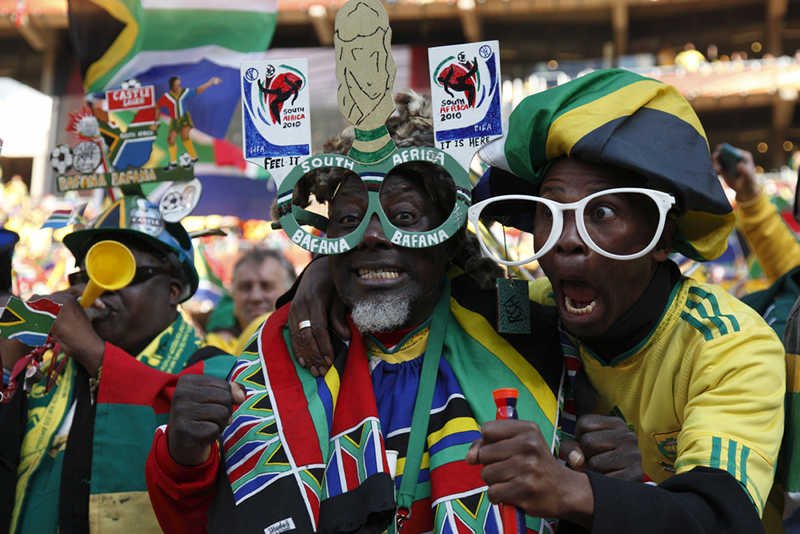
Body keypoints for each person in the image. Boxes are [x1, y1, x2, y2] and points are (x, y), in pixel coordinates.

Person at [290, 69, 786, 532]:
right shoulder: (529, 308)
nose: (567, 240)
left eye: (602, 212)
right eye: (550, 211)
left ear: (661, 234)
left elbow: (724, 518)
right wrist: (323, 273)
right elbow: (424, 266)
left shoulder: (730, 348)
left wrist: (577, 489)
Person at [143, 81, 641, 531]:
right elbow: (195, 517)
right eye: (348, 221)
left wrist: (611, 479)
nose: (372, 236)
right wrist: (184, 455)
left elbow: (591, 493)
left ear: (448, 237)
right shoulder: (278, 351)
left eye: (402, 216)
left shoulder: (532, 340)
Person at [0, 196, 235, 534]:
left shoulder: (214, 369)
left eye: (115, 272)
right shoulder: (45, 371)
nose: (92, 290)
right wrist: (9, 370)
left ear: (173, 291)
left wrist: (90, 348)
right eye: (82, 274)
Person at [205, 248, 296, 354]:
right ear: (232, 293)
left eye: (266, 286)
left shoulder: (307, 343)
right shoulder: (215, 347)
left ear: (290, 291)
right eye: (245, 287)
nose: (255, 297)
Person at [157, 75, 222, 169]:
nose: (179, 86)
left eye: (179, 84)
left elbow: (198, 90)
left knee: (185, 137)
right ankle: (173, 163)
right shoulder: (167, 96)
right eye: (177, 85)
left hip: (184, 119)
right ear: (172, 86)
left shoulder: (184, 92)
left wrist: (210, 83)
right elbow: (158, 106)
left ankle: (193, 157)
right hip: (174, 120)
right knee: (171, 140)